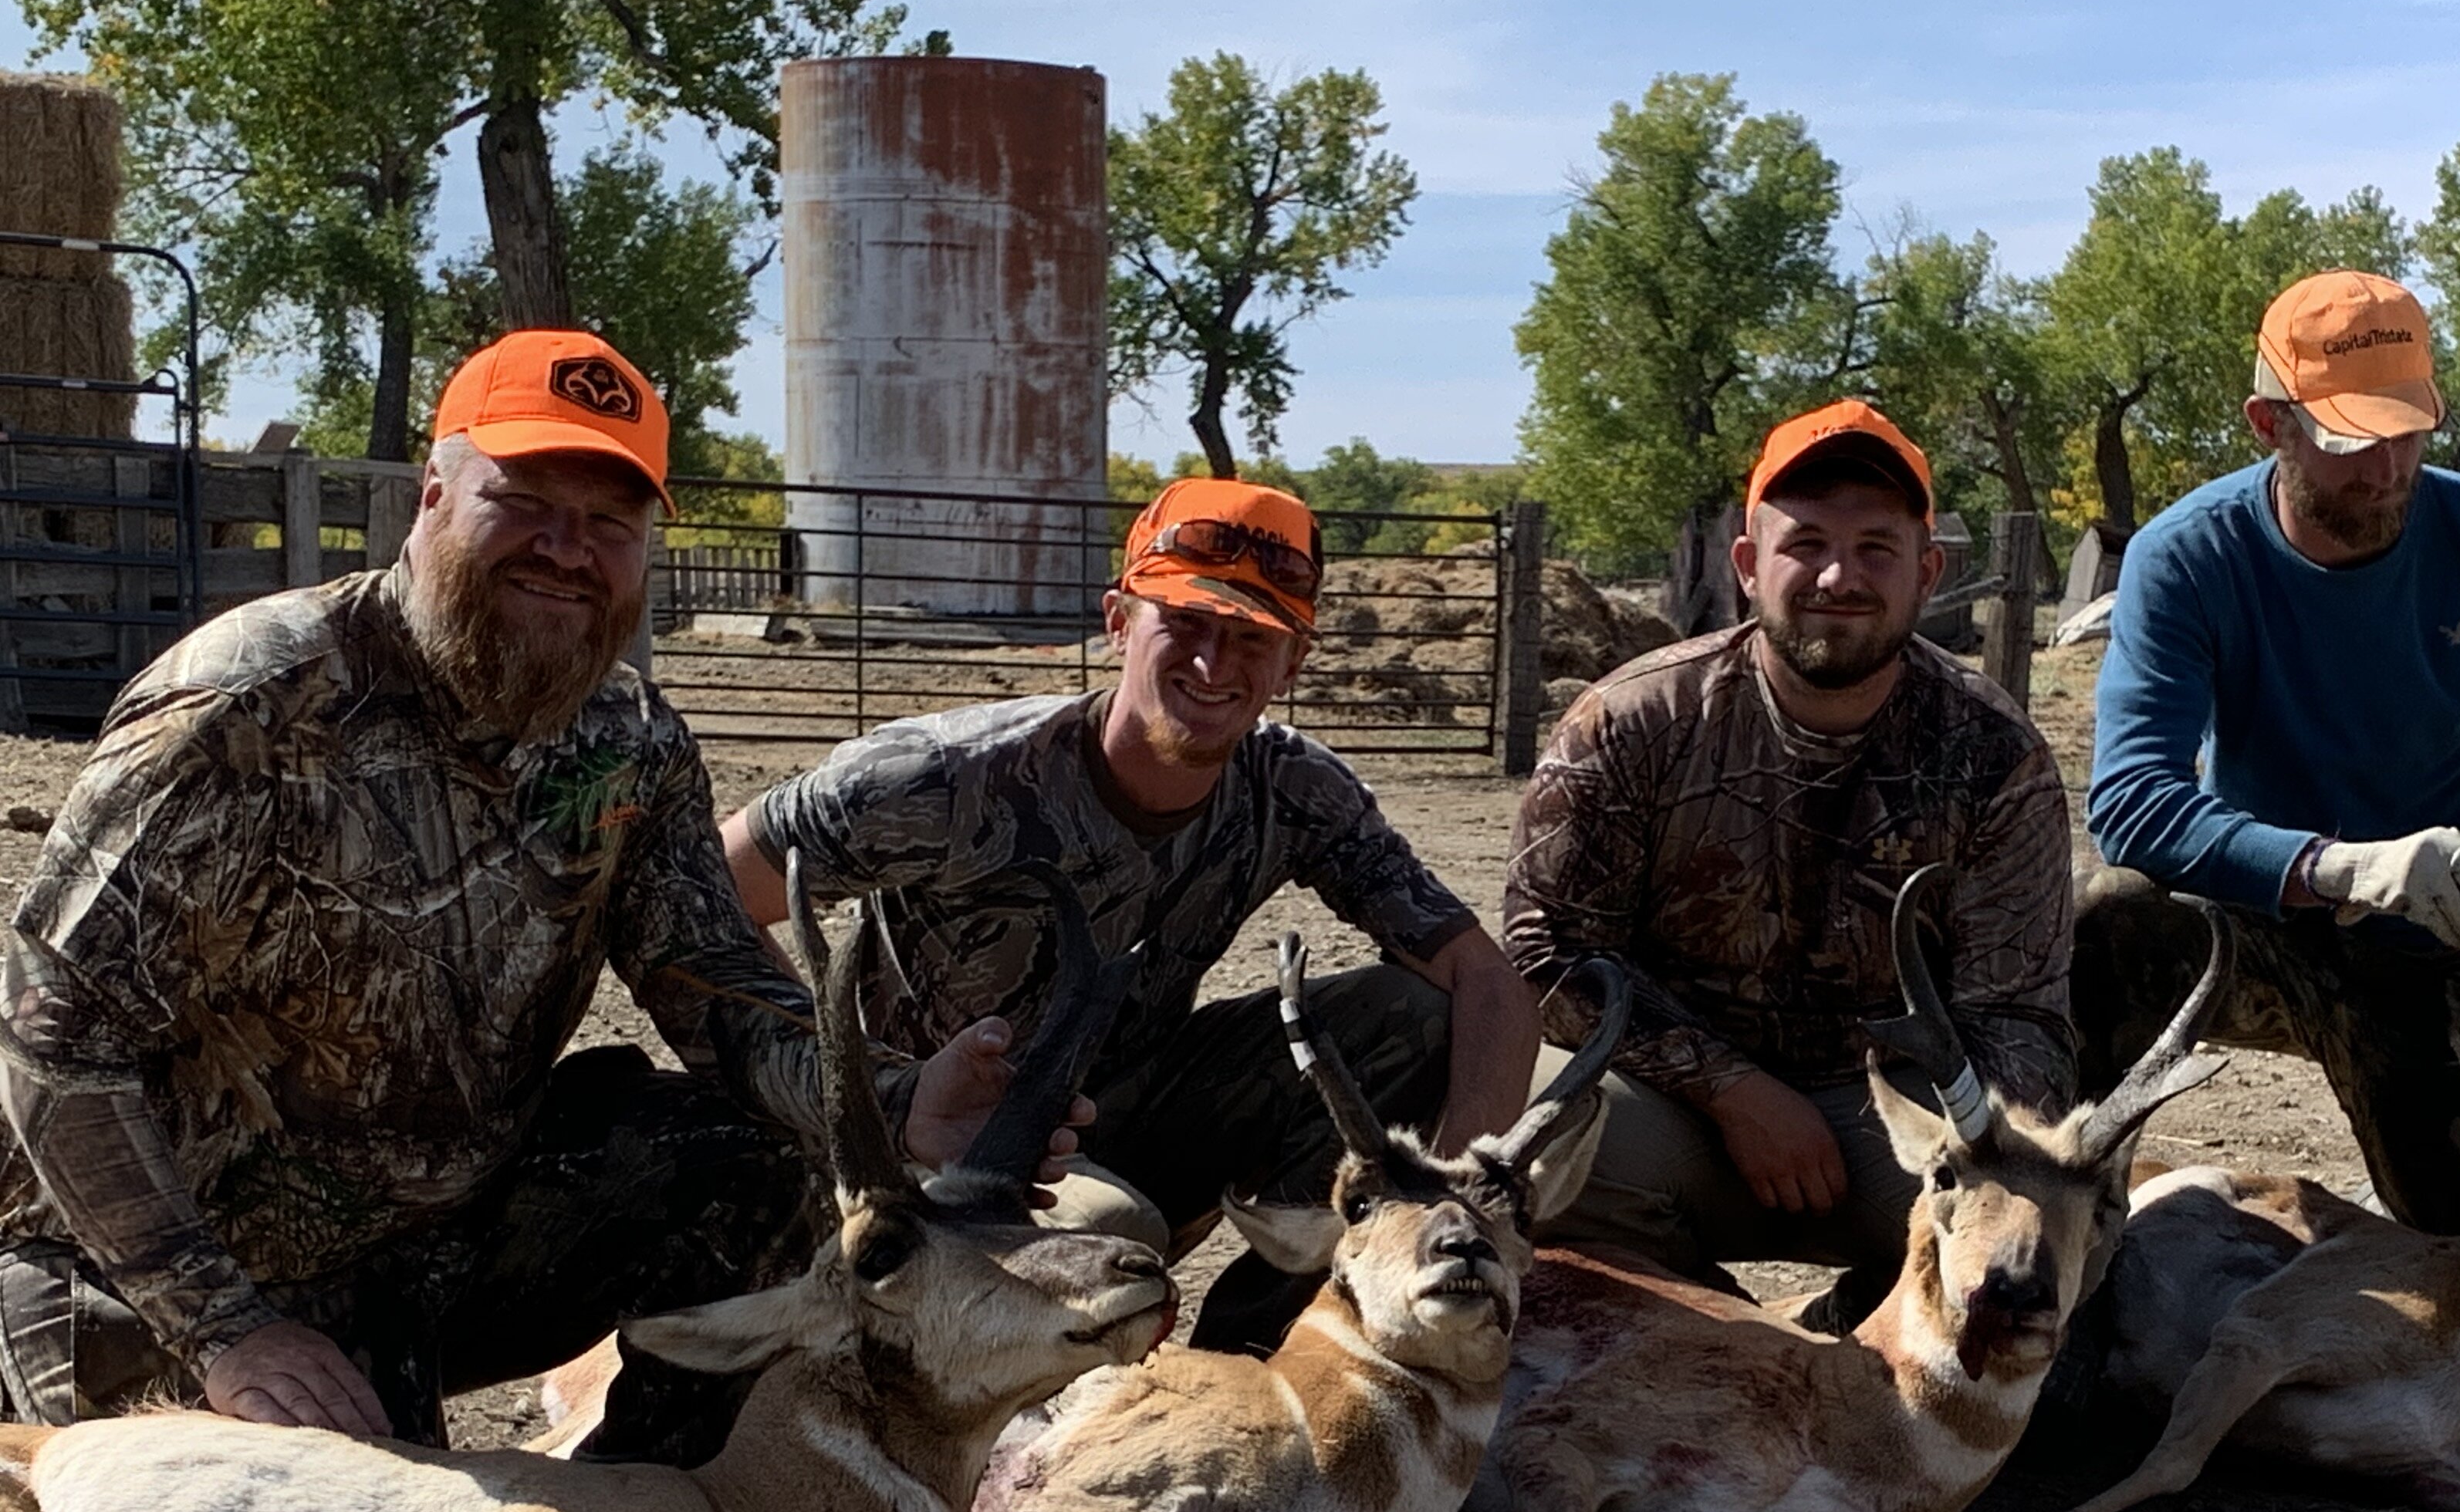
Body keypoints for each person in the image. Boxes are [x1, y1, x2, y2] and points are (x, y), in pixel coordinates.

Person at [0, 329, 1024, 1443]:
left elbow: (711, 980)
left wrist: (886, 1096)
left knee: (762, 1169)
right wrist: (226, 1329)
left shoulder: (629, 739)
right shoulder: (244, 712)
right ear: (431, 496)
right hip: (143, 1266)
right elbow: (55, 1041)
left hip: (427, 1246)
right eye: (525, 499)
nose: (564, 549)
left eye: (608, 524)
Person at [729, 474, 1540, 1352]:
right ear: (1119, 622)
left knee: (1409, 1015)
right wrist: (876, 1089)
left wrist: (1448, 1196)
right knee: (1115, 1231)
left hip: (1123, 1105)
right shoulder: (946, 778)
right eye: (1184, 624)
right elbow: (716, 893)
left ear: (1294, 661)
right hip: (939, 1145)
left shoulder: (1295, 790)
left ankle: (1270, 1356)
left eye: (1251, 638)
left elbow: (1485, 980)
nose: (1212, 664)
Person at [2083, 268, 2460, 1235]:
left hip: (2437, 948)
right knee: (2100, 933)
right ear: (2268, 423)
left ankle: (2401, 1212)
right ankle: (2061, 1240)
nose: (2384, 468)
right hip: (2255, 924)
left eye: (2407, 429)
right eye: (2347, 439)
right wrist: (2340, 868)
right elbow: (2131, 801)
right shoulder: (2189, 556)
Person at [1500, 400, 2076, 1323]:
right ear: (1747, 566)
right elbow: (1548, 956)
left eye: (1877, 549)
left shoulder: (1995, 753)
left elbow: (2017, 1017)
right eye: (1805, 543)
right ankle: (1723, 1333)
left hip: (1895, 1123)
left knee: (2057, 1228)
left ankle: (1866, 1320)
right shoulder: (1629, 723)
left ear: (1928, 574)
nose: (1839, 576)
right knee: (1532, 1141)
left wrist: (1992, 1168)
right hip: (1671, 1112)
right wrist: (1736, 1091)